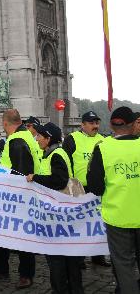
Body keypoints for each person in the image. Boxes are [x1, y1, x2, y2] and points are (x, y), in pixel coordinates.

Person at [0, 109, 39, 289]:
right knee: (3, 233)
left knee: (21, 235)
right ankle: (0, 267)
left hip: (16, 196)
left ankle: (25, 274)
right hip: (11, 193)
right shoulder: (25, 136)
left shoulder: (17, 141)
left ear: (5, 123)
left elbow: (21, 172)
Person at [87, 107, 140, 294]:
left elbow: (95, 187)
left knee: (123, 265)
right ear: (134, 124)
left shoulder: (103, 148)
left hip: (118, 217)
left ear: (111, 125)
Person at [25, 122, 83, 294]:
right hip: (62, 212)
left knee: (57, 257)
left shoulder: (55, 155)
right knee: (69, 257)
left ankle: (61, 289)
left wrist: (36, 177)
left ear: (48, 138)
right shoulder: (55, 153)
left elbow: (59, 180)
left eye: (39, 136)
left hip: (58, 214)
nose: (37, 139)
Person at [62, 110, 109, 268]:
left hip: (97, 189)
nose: (95, 126)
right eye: (91, 123)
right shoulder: (71, 139)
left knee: (97, 224)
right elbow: (66, 162)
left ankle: (98, 256)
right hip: (79, 189)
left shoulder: (103, 140)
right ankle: (79, 258)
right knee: (79, 225)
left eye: (96, 122)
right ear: (82, 125)